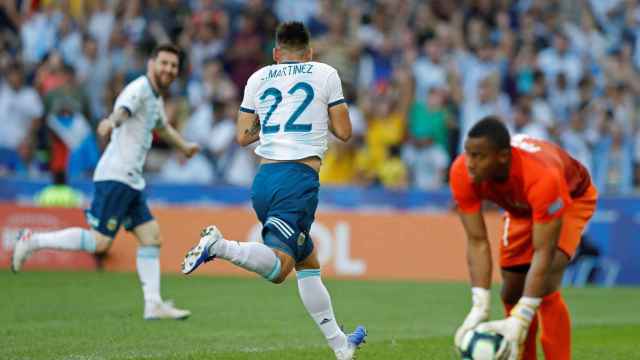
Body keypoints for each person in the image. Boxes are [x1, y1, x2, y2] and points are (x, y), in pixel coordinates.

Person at [181, 22, 366, 360]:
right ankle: (219, 245)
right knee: (281, 269)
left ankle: (341, 346)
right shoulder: (325, 73)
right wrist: (319, 115)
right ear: (309, 52)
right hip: (297, 179)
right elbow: (344, 131)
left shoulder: (258, 78)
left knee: (307, 261)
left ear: (276, 54)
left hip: (264, 178)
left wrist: (274, 121)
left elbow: (242, 136)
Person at [11, 44, 200, 321]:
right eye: (164, 63)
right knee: (100, 243)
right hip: (116, 176)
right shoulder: (138, 89)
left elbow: (161, 127)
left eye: (173, 65)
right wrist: (111, 122)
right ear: (151, 63)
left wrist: (184, 146)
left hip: (131, 181)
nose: (169, 69)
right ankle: (32, 239)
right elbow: (122, 110)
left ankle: (153, 304)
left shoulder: (155, 97)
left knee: (151, 238)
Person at [450, 117, 597, 360]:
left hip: (569, 198)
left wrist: (524, 313)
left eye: (479, 157)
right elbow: (477, 241)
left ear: (503, 157)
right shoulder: (461, 172)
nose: (471, 164)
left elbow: (543, 252)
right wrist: (480, 305)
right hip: (521, 207)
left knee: (546, 282)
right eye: (468, 154)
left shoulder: (542, 177)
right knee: (511, 293)